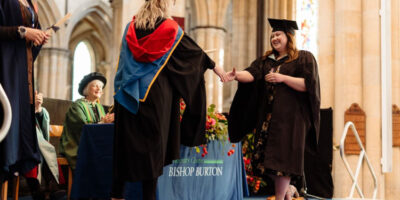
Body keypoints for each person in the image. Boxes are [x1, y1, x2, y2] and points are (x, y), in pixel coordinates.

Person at [111, 0, 227, 199]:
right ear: (165, 5)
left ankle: (116, 196)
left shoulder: (130, 28)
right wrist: (217, 69)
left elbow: (122, 65)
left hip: (128, 98)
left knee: (124, 149)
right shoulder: (170, 29)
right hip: (156, 99)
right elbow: (194, 55)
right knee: (152, 151)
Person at [226, 18, 320, 200]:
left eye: (278, 34)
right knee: (266, 162)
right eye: (272, 35)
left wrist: (282, 78)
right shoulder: (265, 61)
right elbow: (251, 74)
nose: (274, 38)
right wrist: (236, 75)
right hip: (268, 119)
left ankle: (281, 196)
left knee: (282, 162)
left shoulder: (303, 58)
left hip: (291, 121)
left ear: (289, 37)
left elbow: (309, 85)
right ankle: (289, 190)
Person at [0, 0, 50, 181]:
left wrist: (38, 39)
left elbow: (28, 47)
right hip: (5, 76)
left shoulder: (30, 2)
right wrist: (22, 31)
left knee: (16, 145)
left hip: (22, 80)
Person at [59, 72, 114, 172]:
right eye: (95, 86)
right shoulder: (77, 106)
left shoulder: (100, 107)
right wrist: (102, 123)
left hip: (94, 145)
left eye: (101, 87)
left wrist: (108, 122)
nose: (99, 89)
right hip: (77, 145)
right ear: (86, 89)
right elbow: (82, 127)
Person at [24, 91, 64, 200]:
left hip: (36, 143)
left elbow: (43, 130)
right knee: (41, 148)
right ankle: (48, 186)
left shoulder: (37, 107)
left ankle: (40, 188)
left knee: (42, 147)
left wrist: (38, 109)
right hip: (21, 141)